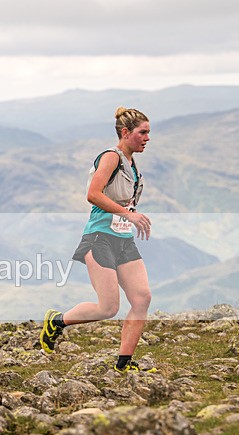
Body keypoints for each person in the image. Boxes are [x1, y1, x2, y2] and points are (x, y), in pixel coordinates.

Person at [41, 107, 154, 372]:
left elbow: (121, 200)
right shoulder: (110, 157)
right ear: (126, 133)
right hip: (99, 238)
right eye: (143, 132)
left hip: (123, 239)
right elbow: (93, 194)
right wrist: (129, 214)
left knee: (142, 298)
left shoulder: (132, 164)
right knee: (108, 307)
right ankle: (57, 321)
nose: (147, 138)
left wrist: (132, 215)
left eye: (149, 132)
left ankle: (123, 365)